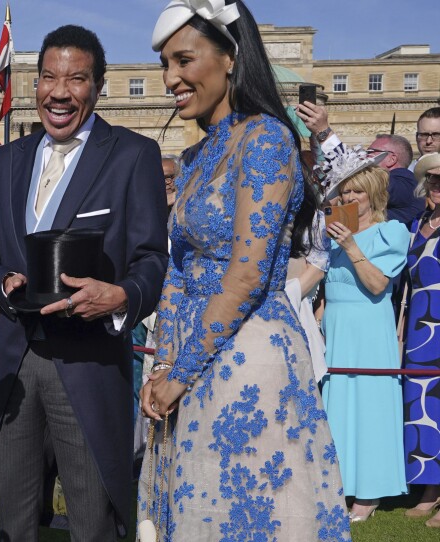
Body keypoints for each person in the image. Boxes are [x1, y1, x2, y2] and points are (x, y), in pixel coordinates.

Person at [140, 1, 350, 539]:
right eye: (165, 65)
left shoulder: (267, 139)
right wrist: (163, 364)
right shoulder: (192, 159)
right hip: (189, 355)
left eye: (184, 60)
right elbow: (178, 269)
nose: (171, 79)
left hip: (248, 357)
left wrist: (179, 374)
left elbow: (248, 272)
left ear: (230, 57)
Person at [0, 24, 169, 540]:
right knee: (12, 513)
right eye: (49, 77)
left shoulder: (132, 156)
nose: (60, 91)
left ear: (97, 86)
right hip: (13, 361)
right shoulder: (5, 160)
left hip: (90, 363)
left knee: (92, 514)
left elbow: (151, 259)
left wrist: (122, 296)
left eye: (76, 79)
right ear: (35, 85)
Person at [319, 150, 410, 521]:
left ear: (373, 195)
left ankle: (369, 495)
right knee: (335, 408)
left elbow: (377, 286)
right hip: (336, 332)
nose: (347, 199)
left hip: (370, 332)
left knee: (369, 409)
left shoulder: (392, 232)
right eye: (343, 193)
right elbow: (328, 291)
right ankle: (335, 484)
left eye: (355, 192)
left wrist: (352, 247)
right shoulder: (334, 235)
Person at [296, 101, 423, 227]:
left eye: (371, 152)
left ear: (392, 159)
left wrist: (323, 132)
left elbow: (357, 173)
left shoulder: (405, 181)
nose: (364, 156)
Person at [402, 152, 440, 527]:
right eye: (432, 178)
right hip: (420, 328)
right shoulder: (418, 223)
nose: (437, 185)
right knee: (423, 408)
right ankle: (430, 487)